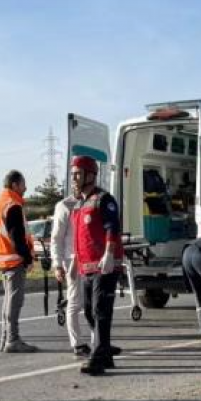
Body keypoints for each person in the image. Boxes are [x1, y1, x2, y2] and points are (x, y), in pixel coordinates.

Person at [69, 155, 124, 375]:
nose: (74, 178)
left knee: (100, 311)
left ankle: (98, 357)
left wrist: (109, 254)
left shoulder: (104, 199)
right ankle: (106, 351)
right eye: (72, 174)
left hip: (104, 266)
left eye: (77, 174)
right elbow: (80, 236)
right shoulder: (80, 203)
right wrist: (75, 261)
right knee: (90, 312)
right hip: (86, 266)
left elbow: (113, 228)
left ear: (90, 175)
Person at [0, 169, 37, 353]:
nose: (26, 187)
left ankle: (5, 339)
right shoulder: (13, 205)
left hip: (3, 258)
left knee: (8, 300)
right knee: (15, 301)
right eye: (24, 184)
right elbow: (17, 237)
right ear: (15, 185)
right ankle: (12, 339)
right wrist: (27, 259)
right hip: (14, 259)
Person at [51, 179, 88, 356]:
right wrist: (57, 264)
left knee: (92, 301)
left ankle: (98, 340)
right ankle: (77, 343)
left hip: (90, 257)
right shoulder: (64, 206)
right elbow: (56, 238)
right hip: (72, 259)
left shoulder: (92, 202)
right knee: (74, 301)